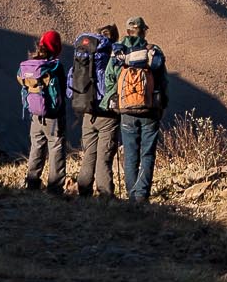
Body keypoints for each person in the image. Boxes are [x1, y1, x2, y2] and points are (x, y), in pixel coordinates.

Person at [106, 16, 167, 203]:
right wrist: (161, 104)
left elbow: (109, 78)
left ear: (127, 32)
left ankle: (132, 194)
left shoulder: (119, 53)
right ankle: (141, 195)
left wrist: (113, 101)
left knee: (131, 154)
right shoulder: (152, 52)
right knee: (147, 153)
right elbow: (163, 81)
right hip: (149, 110)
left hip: (126, 112)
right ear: (144, 31)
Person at [69, 25, 120, 197]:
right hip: (107, 114)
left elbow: (71, 85)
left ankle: (84, 191)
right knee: (104, 156)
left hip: (87, 111)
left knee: (89, 154)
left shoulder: (83, 56)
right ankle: (105, 194)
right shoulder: (111, 59)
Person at [17, 30, 67, 193]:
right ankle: (55, 188)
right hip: (53, 116)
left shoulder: (30, 64)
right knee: (56, 147)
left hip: (35, 114)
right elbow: (64, 89)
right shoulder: (55, 66)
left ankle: (31, 183)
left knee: (36, 147)